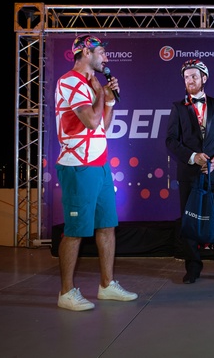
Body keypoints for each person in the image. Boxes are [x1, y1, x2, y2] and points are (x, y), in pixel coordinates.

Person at [54, 35, 138, 311]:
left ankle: (107, 285)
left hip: (100, 164)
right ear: (86, 53)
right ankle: (66, 292)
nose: (106, 57)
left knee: (107, 226)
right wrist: (101, 93)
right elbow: (90, 121)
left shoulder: (92, 84)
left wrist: (109, 101)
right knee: (75, 231)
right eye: (101, 51)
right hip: (78, 165)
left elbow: (103, 125)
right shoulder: (70, 81)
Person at [165, 59, 214, 285]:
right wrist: (193, 157)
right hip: (189, 175)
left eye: (194, 76)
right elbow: (171, 141)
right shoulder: (178, 107)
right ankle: (192, 268)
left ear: (204, 78)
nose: (190, 80)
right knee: (189, 221)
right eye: (186, 77)